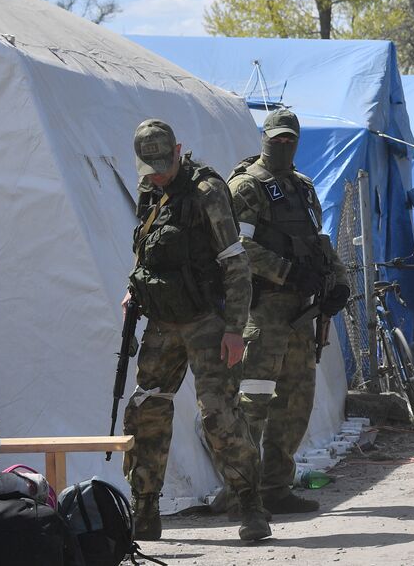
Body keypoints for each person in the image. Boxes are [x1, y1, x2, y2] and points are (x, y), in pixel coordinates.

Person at [122, 119, 269, 542]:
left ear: (179, 149)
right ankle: (145, 508)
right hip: (162, 319)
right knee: (146, 409)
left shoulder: (208, 192)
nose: (158, 172)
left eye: (164, 163)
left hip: (207, 320)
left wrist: (235, 330)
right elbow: (147, 250)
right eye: (150, 165)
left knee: (219, 415)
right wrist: (133, 288)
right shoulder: (149, 188)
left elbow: (235, 262)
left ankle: (250, 505)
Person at [228, 109, 350, 516]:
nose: (281, 146)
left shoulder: (303, 187)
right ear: (264, 138)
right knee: (253, 404)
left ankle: (276, 487)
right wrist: (286, 272)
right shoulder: (246, 187)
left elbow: (318, 239)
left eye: (288, 140)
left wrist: (337, 279)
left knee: (296, 402)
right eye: (275, 139)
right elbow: (236, 247)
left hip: (301, 315)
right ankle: (241, 491)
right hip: (262, 313)